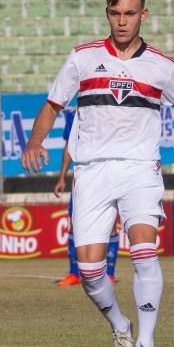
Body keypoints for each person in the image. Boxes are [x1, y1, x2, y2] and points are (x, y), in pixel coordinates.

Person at [22, 0, 174, 347]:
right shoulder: (82, 58)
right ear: (107, 13)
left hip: (140, 169)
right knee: (89, 271)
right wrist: (36, 140)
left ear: (143, 14)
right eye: (115, 13)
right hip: (92, 172)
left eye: (130, 13)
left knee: (144, 252)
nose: (122, 21)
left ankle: (146, 342)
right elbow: (52, 105)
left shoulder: (163, 66)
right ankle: (121, 327)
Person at [54, 107, 118, 286]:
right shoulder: (75, 113)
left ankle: (109, 274)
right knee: (75, 224)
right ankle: (74, 274)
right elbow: (69, 144)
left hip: (110, 173)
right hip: (84, 177)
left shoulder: (114, 108)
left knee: (111, 224)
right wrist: (62, 178)